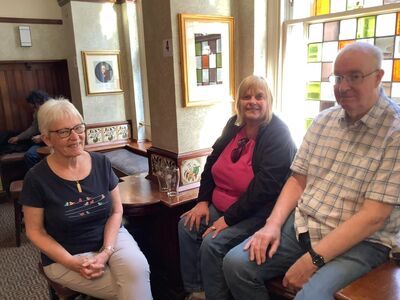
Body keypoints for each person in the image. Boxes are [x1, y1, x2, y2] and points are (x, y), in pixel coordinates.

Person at [223, 43, 400, 300]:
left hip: (361, 243)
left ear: (378, 77)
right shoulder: (323, 121)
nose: (343, 86)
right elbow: (297, 180)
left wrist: (313, 260)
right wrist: (272, 225)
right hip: (304, 226)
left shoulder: (395, 132)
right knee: (236, 265)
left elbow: (373, 217)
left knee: (310, 297)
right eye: (338, 77)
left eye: (354, 76)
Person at [19, 98, 152, 299]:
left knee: (139, 272)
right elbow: (35, 231)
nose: (75, 137)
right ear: (47, 139)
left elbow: (116, 211)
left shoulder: (101, 163)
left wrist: (106, 251)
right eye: (64, 132)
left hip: (112, 238)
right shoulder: (36, 178)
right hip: (66, 254)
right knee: (128, 290)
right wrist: (72, 263)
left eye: (78, 128)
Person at [178, 75, 297, 300]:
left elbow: (266, 188)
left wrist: (228, 219)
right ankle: (197, 291)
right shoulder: (234, 124)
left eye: (259, 96)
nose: (252, 101)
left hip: (258, 211)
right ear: (239, 103)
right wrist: (202, 201)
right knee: (187, 225)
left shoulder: (278, 133)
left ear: (268, 101)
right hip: (223, 204)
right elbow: (212, 161)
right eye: (246, 97)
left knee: (211, 244)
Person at [6, 90, 49, 168]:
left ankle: (40, 177)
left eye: (34, 107)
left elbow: (60, 130)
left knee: (31, 155)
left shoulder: (55, 111)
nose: (34, 110)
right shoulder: (37, 113)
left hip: (53, 141)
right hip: (43, 141)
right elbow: (34, 128)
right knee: (29, 152)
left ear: (40, 101)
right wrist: (18, 137)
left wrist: (41, 137)